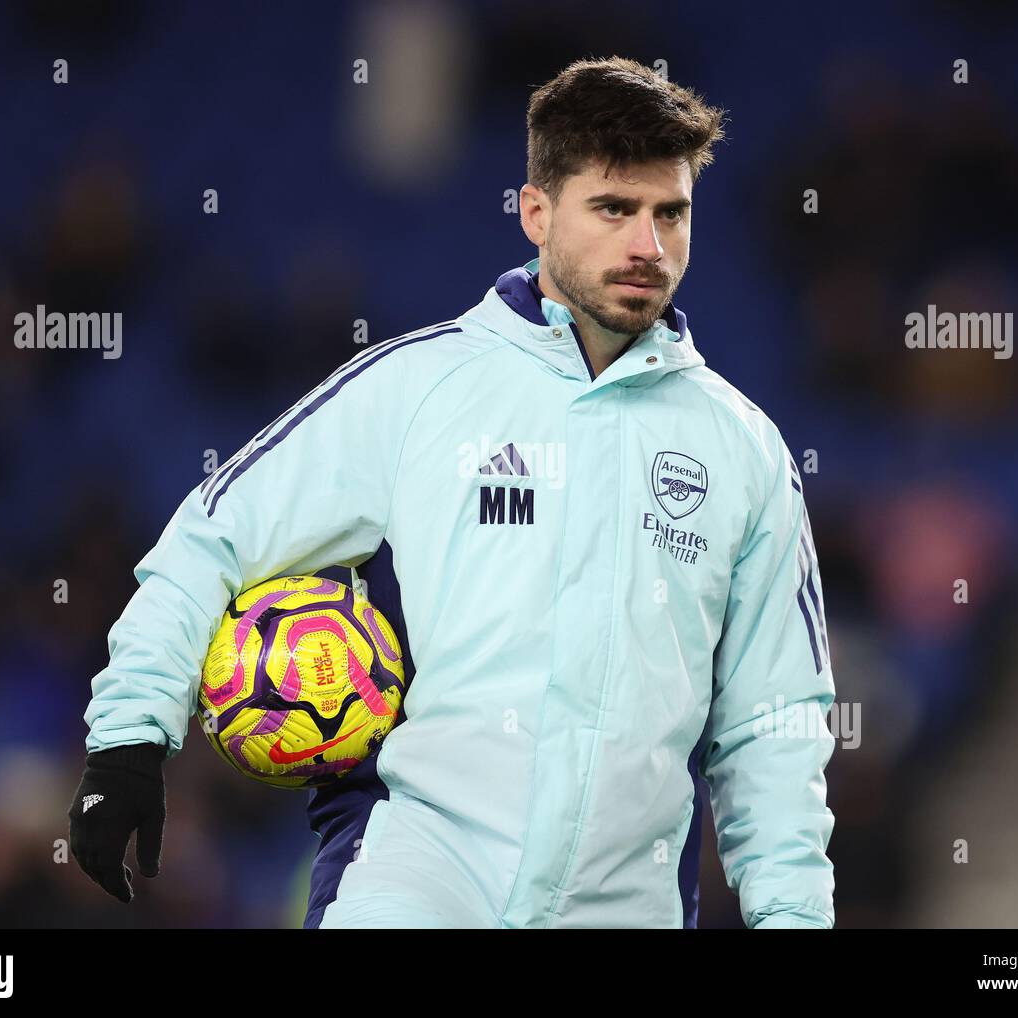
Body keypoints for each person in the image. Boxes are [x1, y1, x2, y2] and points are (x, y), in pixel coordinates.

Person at [69, 55, 837, 929]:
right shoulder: (418, 389)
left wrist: (793, 917)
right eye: (615, 209)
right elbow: (212, 540)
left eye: (672, 214)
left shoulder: (744, 451)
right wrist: (129, 739)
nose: (647, 247)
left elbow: (772, 719)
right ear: (536, 213)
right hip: (419, 874)